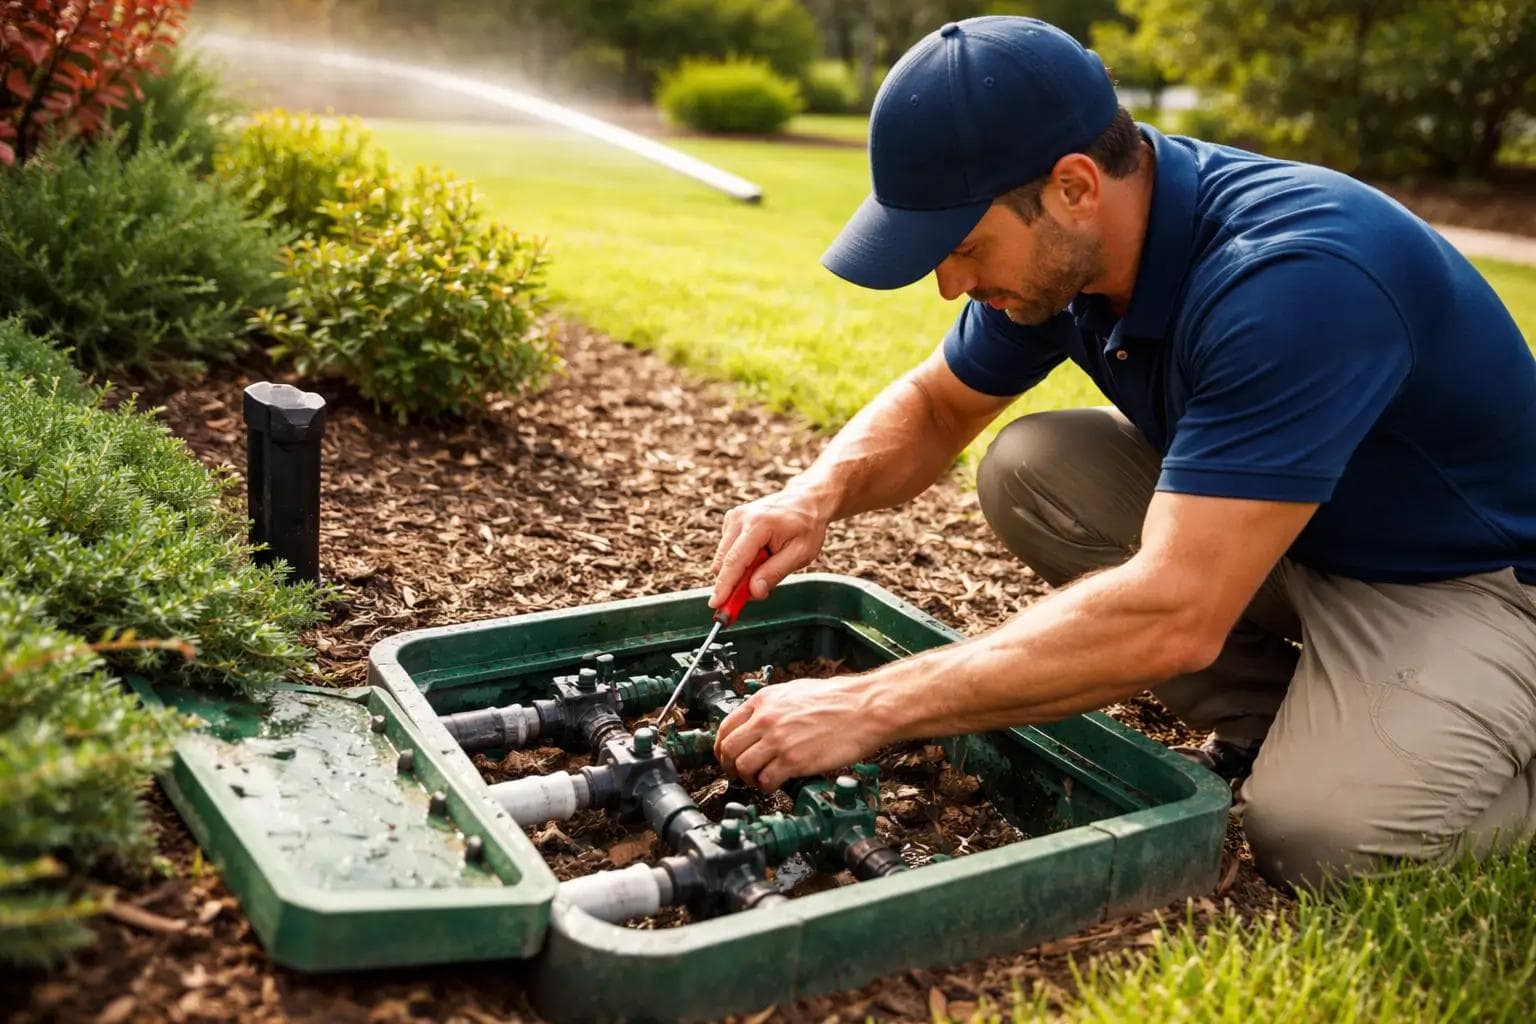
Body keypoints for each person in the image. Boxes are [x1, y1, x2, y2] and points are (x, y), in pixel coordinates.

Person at [706, 15, 1536, 890]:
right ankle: (1282, 717)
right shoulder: (1081, 248)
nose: (950, 285)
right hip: (1305, 532)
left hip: (1473, 583)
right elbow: (936, 403)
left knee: (1317, 836)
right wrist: (814, 494)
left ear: (1073, 188)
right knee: (1034, 468)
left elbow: (1175, 610)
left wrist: (870, 705)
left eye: (963, 247)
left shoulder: (1294, 279)